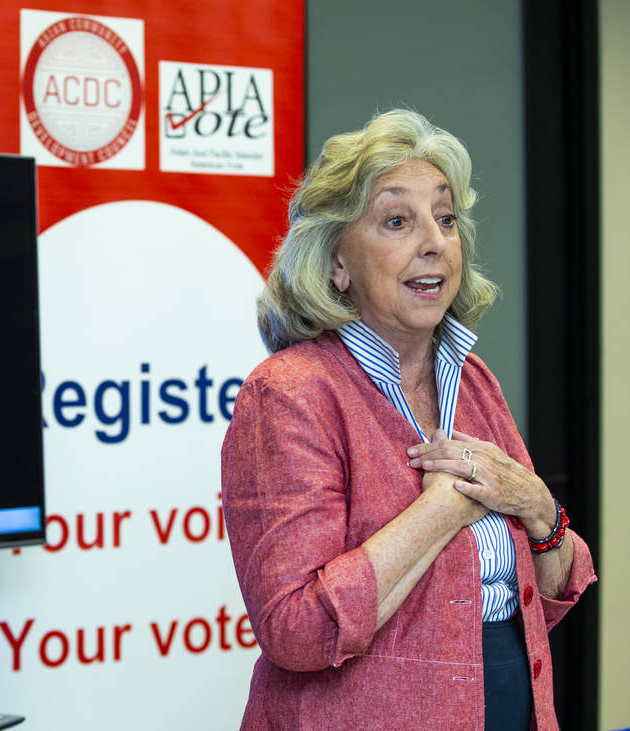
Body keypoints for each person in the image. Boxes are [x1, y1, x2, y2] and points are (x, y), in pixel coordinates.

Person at [221, 109, 596, 730]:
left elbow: (548, 596)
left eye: (445, 219)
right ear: (336, 264)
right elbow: (294, 630)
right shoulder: (289, 395)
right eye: (398, 221)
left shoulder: (473, 380)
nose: (435, 242)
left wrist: (536, 506)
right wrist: (442, 510)